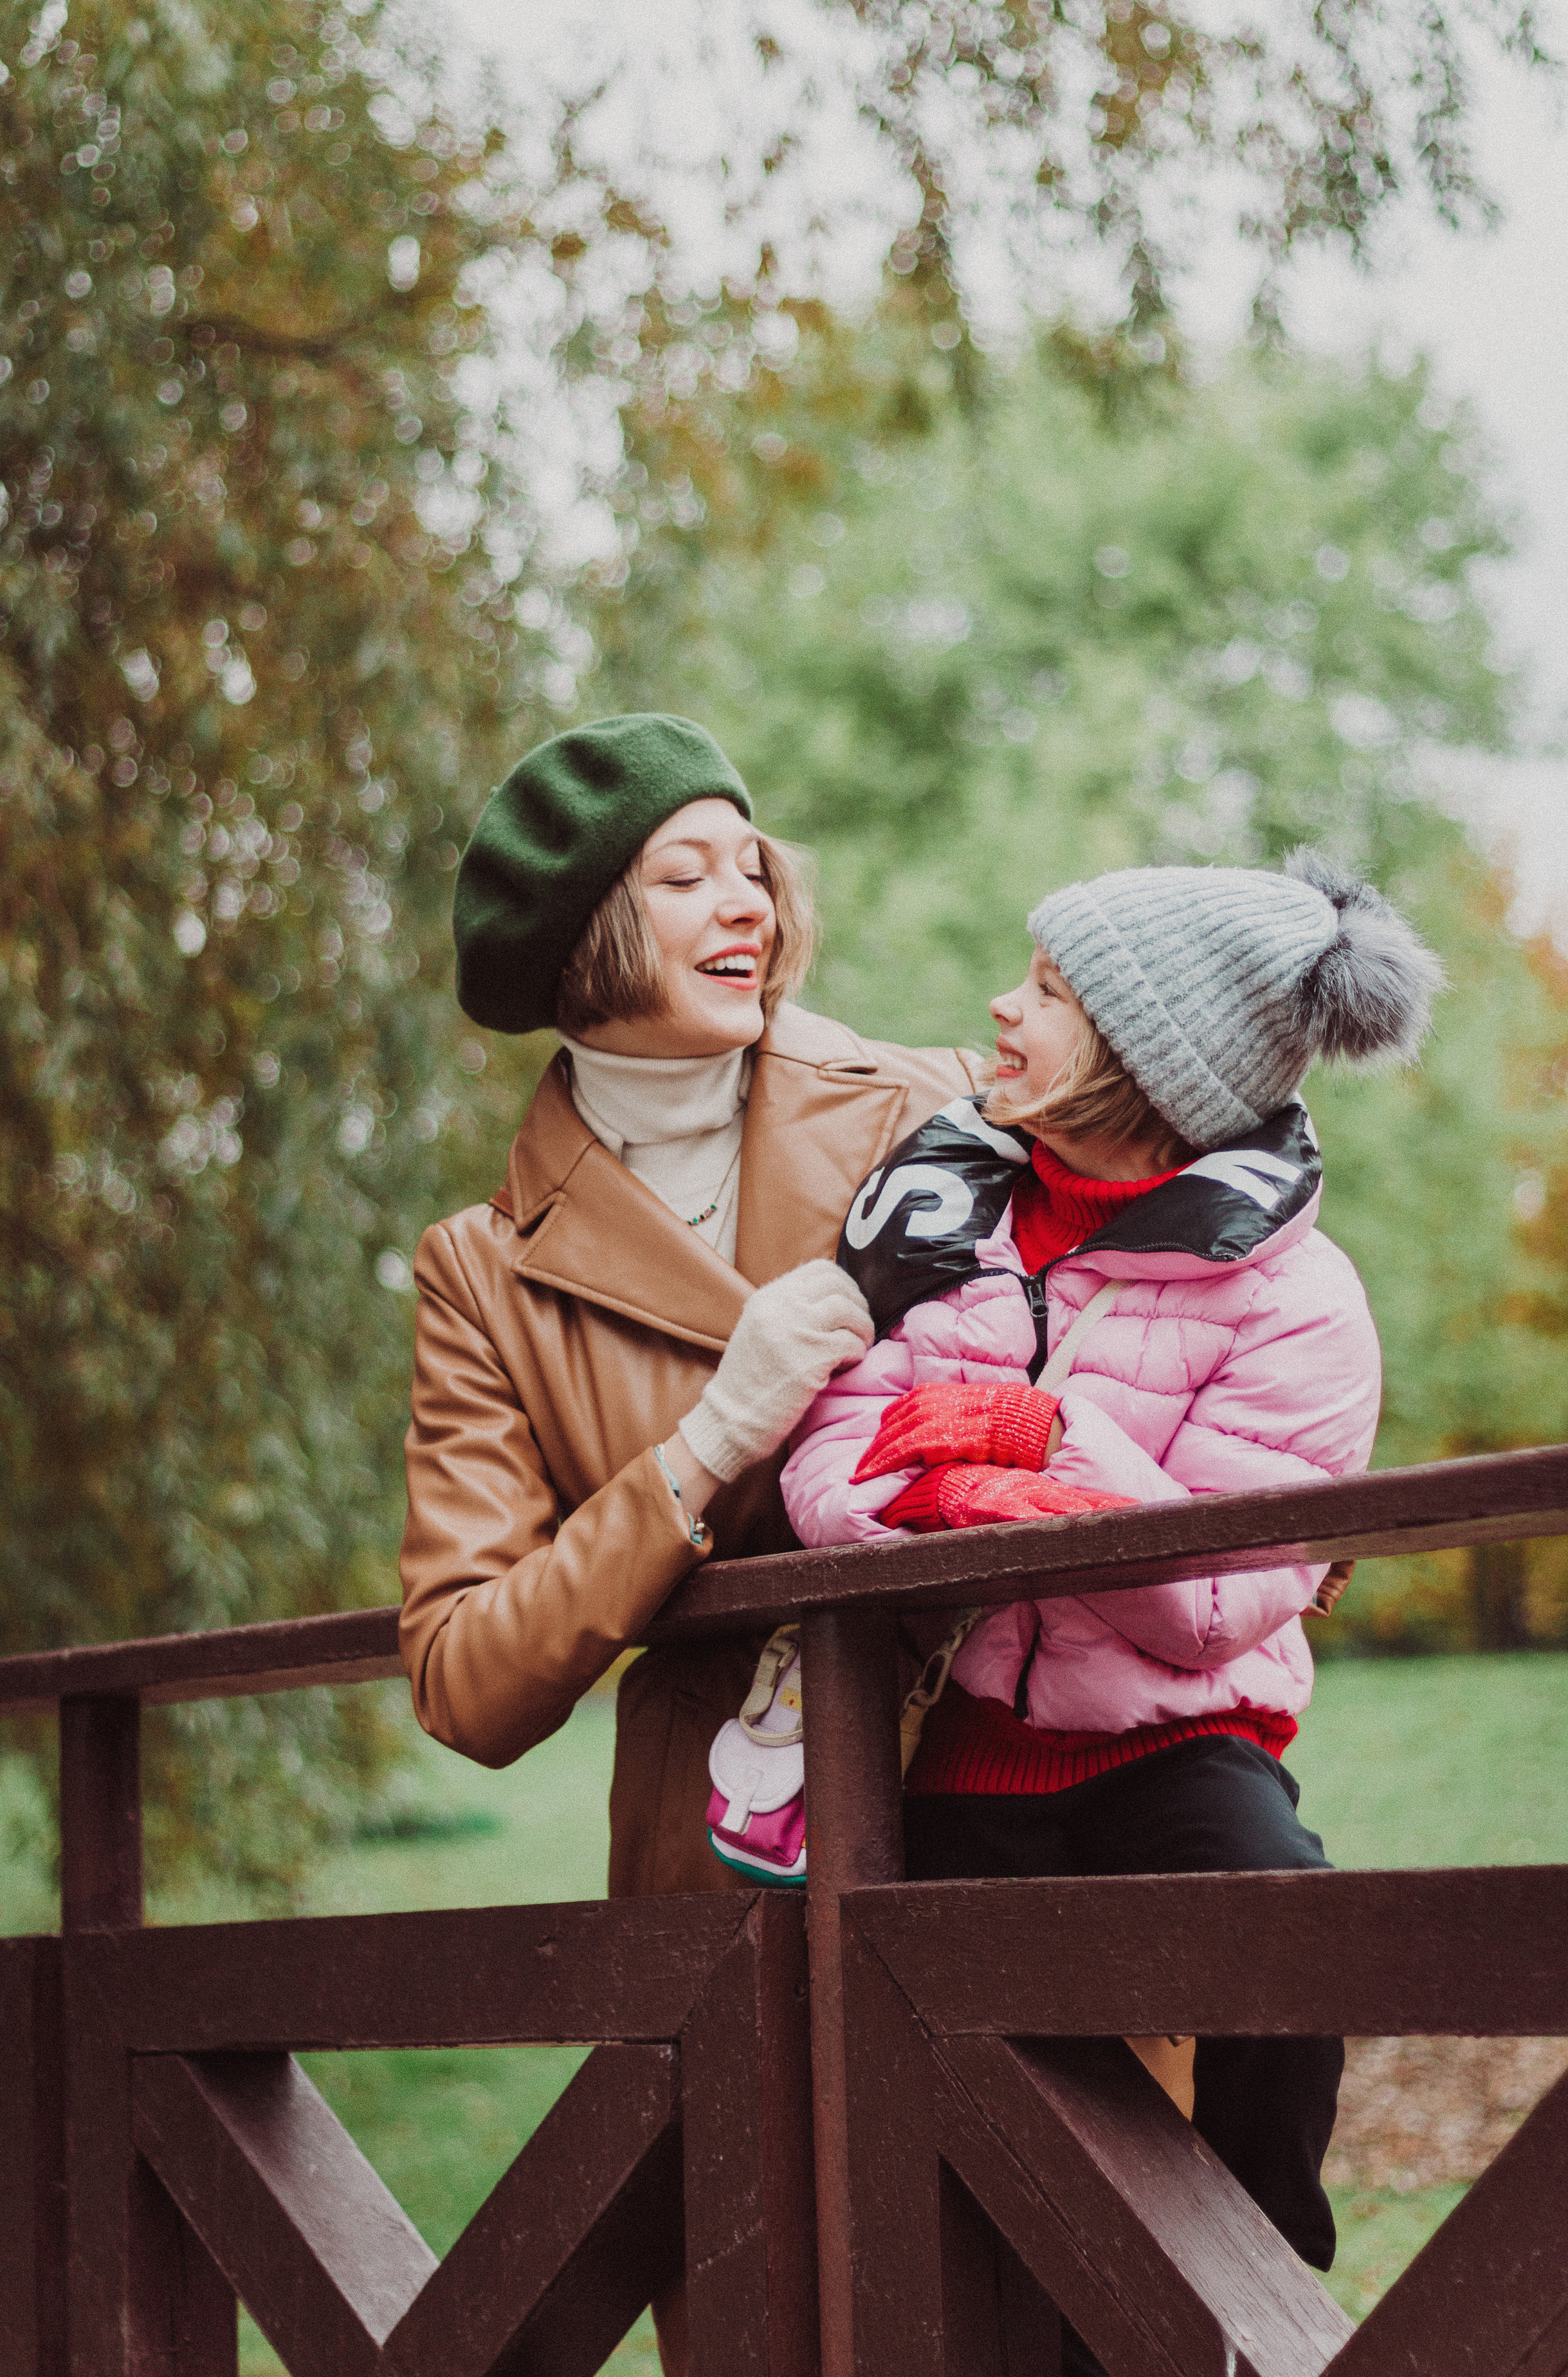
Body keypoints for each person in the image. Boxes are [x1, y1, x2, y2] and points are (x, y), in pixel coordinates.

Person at [781, 853, 1441, 2322]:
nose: (999, 1011)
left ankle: (1259, 2300)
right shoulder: (949, 1220)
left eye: (1049, 994)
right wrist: (928, 1499)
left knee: (1289, 1936)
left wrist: (1037, 1441)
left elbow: (1212, 1596)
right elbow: (833, 1454)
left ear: (1150, 1059)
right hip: (961, 1765)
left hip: (1177, 1747)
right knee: (931, 2080)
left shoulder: (1296, 1297)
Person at [397, 712, 978, 2370]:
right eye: (683, 871)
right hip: (715, 1873)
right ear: (588, 934)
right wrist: (710, 1440)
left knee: (1069, 2284)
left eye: (753, 862)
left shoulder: (922, 1106)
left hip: (992, 1794)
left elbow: (1191, 1292)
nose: (750, 902)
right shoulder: (480, 1274)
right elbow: (462, 1673)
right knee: (765, 2321)